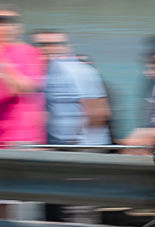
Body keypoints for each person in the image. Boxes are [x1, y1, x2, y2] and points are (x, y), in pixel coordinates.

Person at [32, 30, 111, 146]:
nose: (47, 49)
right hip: (53, 144)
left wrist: (75, 144)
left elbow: (98, 113)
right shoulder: (38, 75)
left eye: (55, 44)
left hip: (82, 147)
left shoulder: (80, 71)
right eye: (41, 44)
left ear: (67, 47)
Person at [0, 9, 45, 147]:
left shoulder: (28, 52)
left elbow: (25, 88)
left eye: (11, 22)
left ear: (19, 28)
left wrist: (4, 65)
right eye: (2, 22)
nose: (6, 27)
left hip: (19, 139)